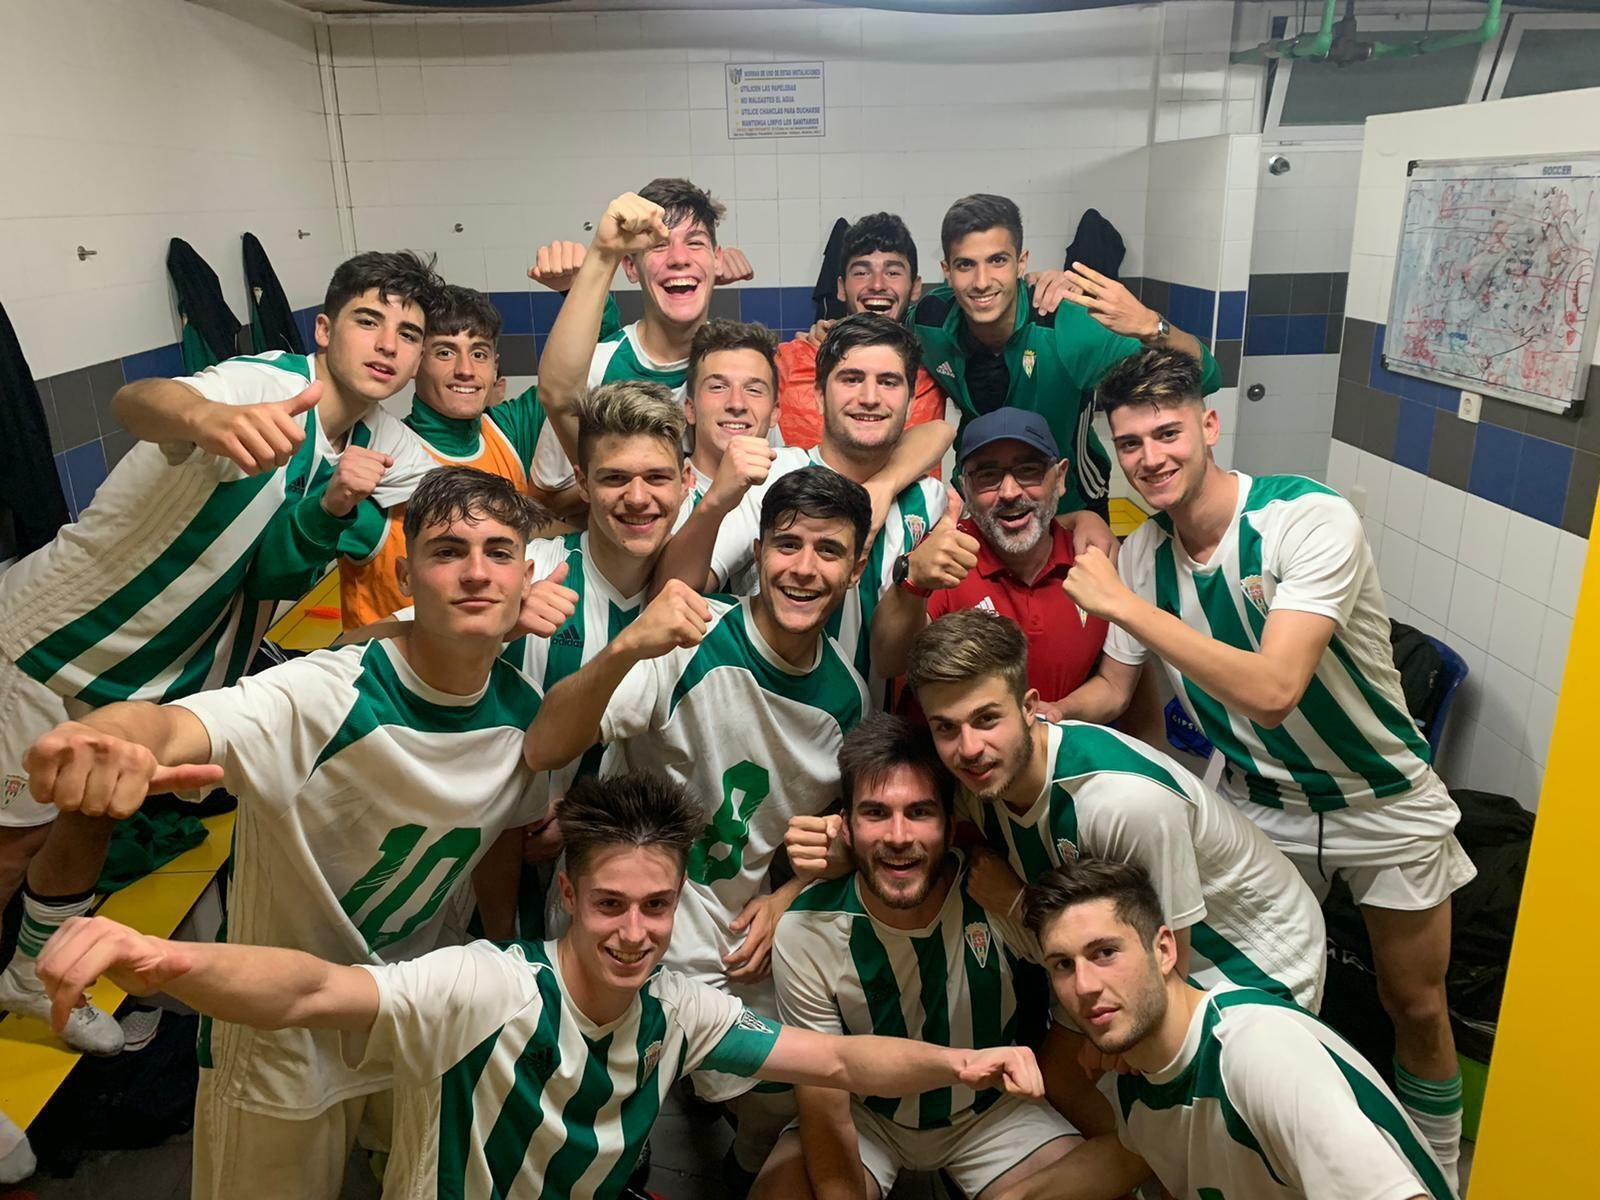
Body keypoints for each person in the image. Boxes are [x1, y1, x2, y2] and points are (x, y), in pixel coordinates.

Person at [36, 773, 1044, 1200]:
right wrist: (166, 963)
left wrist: (962, 1060)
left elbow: (834, 1057)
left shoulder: (678, 1013)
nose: (635, 932)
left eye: (657, 907)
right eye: (610, 905)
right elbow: (310, 992)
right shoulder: (486, 988)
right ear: (566, 892)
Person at [20, 468, 568, 1200]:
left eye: (498, 552)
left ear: (525, 577)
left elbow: (498, 831)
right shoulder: (323, 696)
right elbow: (182, 722)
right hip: (278, 1032)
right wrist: (109, 738)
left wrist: (495, 937)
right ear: (406, 573)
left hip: (403, 1006)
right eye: (447, 551)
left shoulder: (523, 715)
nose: (475, 572)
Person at [0, 250, 445, 1054]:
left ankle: (32, 978)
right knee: (12, 847)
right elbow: (137, 399)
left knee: (93, 811)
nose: (388, 344)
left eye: (408, 333)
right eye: (368, 320)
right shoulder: (259, 384)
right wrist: (207, 421)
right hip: (56, 645)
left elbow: (407, 525)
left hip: (149, 679)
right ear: (325, 328)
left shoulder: (385, 443)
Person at [1060, 346, 1475, 1187]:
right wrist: (1032, 719)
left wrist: (1126, 605)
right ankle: (1260, 1166)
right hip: (1262, 807)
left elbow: (1276, 689)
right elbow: (1111, 688)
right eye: (1131, 445)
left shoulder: (1305, 519)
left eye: (1168, 433)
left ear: (1208, 426)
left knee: (1417, 1006)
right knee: (1248, 1006)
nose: (1152, 459)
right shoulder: (1142, 560)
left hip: (1382, 800)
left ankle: (1435, 1170)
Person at [522, 467, 873, 1175]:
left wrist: (786, 896)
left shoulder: (847, 699)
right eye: (787, 545)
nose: (803, 569)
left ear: (857, 567)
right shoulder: (690, 638)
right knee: (600, 1087)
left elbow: (833, 842)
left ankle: (741, 1165)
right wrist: (627, 646)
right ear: (760, 551)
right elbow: (548, 744)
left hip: (737, 919)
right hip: (642, 896)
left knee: (794, 1085)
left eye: (828, 551)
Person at [905, 609, 1326, 1140]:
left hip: (1252, 956)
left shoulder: (1121, 803)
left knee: (1178, 1107)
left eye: (987, 719)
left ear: (1031, 709)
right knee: (1061, 1075)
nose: (968, 749)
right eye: (946, 729)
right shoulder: (980, 781)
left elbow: (1165, 978)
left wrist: (1017, 905)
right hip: (1125, 948)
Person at [756, 714, 1142, 1200]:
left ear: (950, 821)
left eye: (919, 812)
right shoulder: (807, 929)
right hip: (867, 1113)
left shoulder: (991, 890)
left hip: (992, 1110)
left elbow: (1091, 970)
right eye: (875, 813)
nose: (898, 836)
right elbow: (823, 1101)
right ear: (847, 827)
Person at [1025, 857, 1456, 1200]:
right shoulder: (1137, 1078)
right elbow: (1128, 1157)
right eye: (1063, 965)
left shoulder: (1256, 1050)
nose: (1084, 986)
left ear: (1164, 950)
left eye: (1104, 953)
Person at [660, 314, 951, 703]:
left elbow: (893, 660)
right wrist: (714, 504)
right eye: (851, 379)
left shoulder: (928, 498)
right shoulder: (771, 475)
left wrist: (882, 488)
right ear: (817, 396)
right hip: (760, 716)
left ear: (911, 399)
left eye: (888, 382)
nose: (869, 397)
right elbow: (675, 590)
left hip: (868, 735)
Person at [909, 193, 1221, 521]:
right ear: (946, 270)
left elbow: (1207, 376)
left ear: (1022, 262)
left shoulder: (1066, 327)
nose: (982, 281)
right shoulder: (931, 322)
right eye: (965, 265)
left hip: (1070, 506)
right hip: (982, 497)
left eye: (998, 260)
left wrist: (1149, 325)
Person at [336, 280, 604, 630]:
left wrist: (579, 285)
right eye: (445, 352)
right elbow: (289, 567)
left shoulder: (506, 431)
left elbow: (569, 377)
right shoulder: (379, 460)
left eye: (479, 353)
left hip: (487, 666)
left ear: (495, 367)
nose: (465, 369)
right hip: (391, 678)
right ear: (415, 361)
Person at [528, 180, 749, 517]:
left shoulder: (743, 372)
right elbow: (546, 498)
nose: (679, 259)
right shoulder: (596, 367)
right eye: (659, 246)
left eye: (695, 243)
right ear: (631, 267)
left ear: (716, 261)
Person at [871, 408, 1110, 715]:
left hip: (1059, 756)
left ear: (1060, 477)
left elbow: (1120, 684)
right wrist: (913, 580)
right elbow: (888, 661)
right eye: (987, 476)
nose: (1009, 492)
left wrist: (1058, 714)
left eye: (1028, 470)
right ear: (965, 488)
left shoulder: (1093, 556)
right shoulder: (947, 556)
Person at [774, 212, 946, 449]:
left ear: (915, 287)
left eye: (893, 272)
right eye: (862, 273)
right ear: (841, 287)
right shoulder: (790, 360)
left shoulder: (936, 362)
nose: (877, 285)